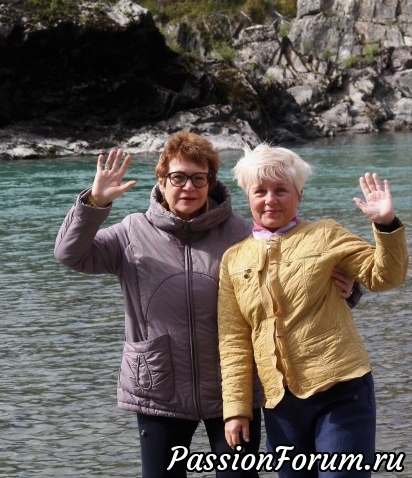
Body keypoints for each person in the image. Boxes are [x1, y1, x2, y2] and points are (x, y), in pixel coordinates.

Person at [53, 131, 358, 478]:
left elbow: (299, 274)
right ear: (162, 180)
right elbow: (69, 254)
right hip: (158, 388)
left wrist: (350, 288)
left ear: (211, 183)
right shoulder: (131, 233)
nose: (188, 187)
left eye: (199, 178)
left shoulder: (242, 234)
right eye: (178, 177)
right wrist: (94, 203)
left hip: (231, 391)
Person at [218, 143, 408, 477]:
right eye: (259, 191)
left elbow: (385, 277)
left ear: (299, 195)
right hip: (280, 404)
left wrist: (386, 224)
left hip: (342, 391)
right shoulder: (234, 259)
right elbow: (233, 340)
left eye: (281, 190)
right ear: (248, 196)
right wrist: (236, 409)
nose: (270, 199)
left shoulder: (326, 234)